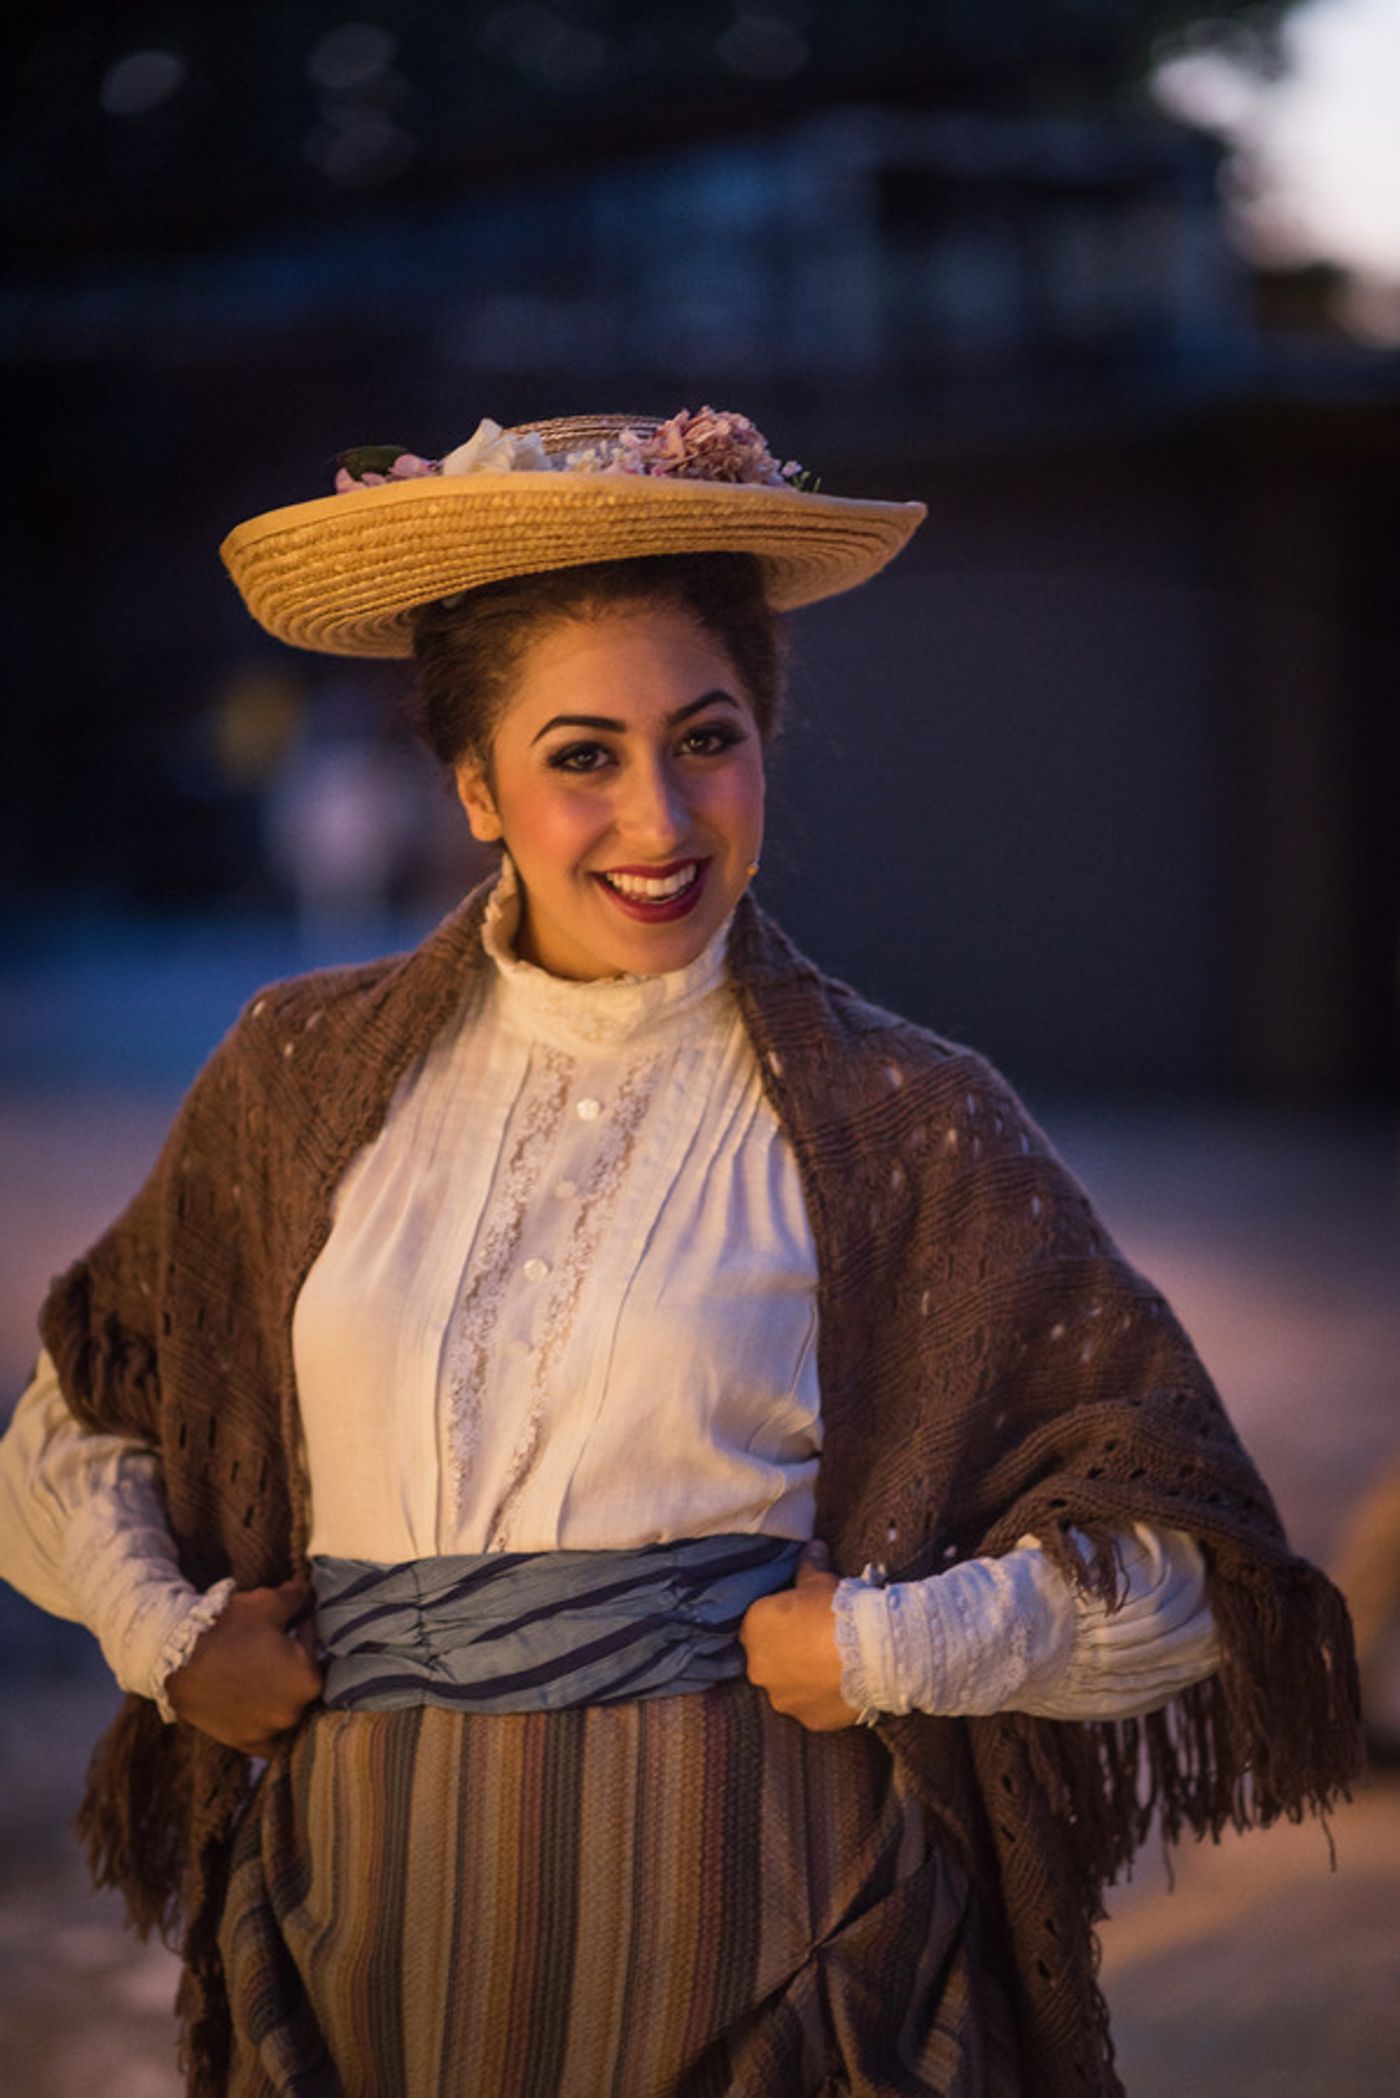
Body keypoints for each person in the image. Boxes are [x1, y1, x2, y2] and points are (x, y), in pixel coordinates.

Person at [0, 406, 1361, 2098]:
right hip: (363, 1941)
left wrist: (891, 1647)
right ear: (477, 787)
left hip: (788, 1950)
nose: (659, 817)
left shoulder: (907, 1117)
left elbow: (1190, 1565)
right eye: (581, 755)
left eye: (705, 738)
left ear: (765, 749)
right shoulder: (299, 1074)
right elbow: (69, 1434)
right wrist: (168, 1634)